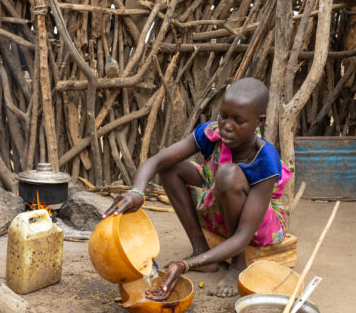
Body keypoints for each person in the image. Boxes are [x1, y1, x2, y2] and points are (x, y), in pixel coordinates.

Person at [103, 77, 291, 300]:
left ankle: (238, 266)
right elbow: (157, 161)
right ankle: (200, 248)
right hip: (219, 200)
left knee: (227, 175)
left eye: (238, 121)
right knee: (171, 167)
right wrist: (137, 192)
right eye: (223, 116)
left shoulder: (265, 159)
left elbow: (242, 236)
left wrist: (185, 266)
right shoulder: (212, 133)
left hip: (259, 223)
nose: (227, 126)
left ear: (259, 121)